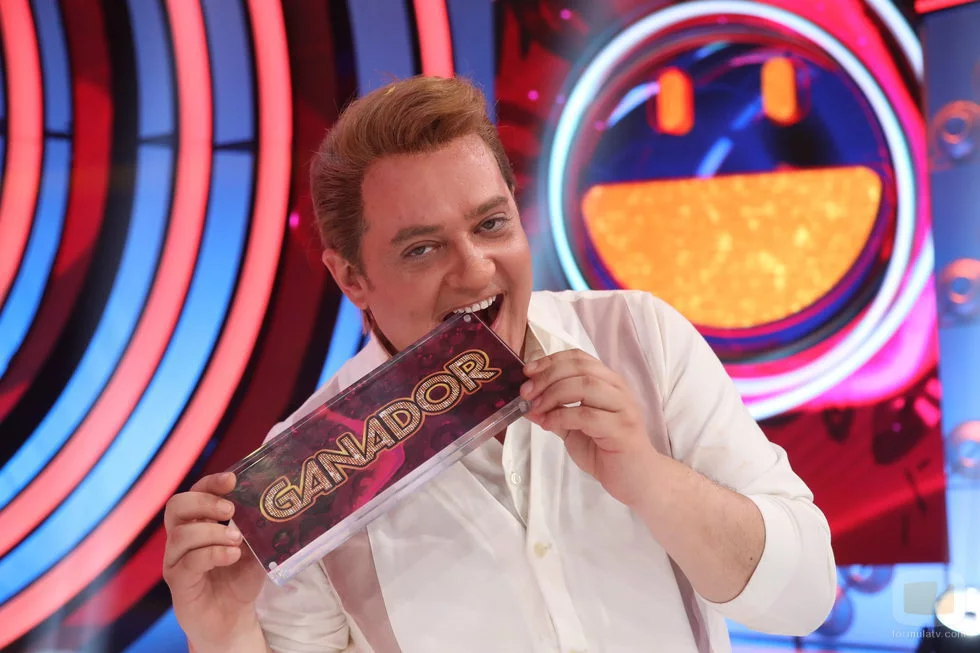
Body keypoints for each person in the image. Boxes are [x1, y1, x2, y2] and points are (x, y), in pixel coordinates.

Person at [163, 76, 836, 653]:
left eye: (490, 225)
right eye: (422, 249)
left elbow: (804, 597)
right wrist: (224, 633)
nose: (476, 269)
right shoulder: (304, 475)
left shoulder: (640, 337)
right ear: (352, 279)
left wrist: (651, 479)